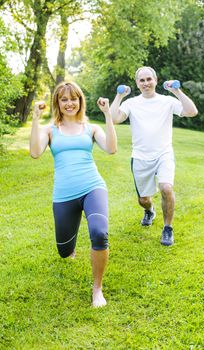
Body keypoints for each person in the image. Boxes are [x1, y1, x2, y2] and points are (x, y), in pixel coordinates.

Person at [30, 81, 117, 307]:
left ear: (80, 101)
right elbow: (35, 153)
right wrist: (36, 120)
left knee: (99, 233)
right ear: (57, 103)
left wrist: (108, 115)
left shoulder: (91, 129)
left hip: (92, 186)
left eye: (74, 98)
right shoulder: (50, 130)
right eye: (64, 99)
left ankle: (97, 289)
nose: (70, 103)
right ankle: (71, 243)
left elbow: (111, 148)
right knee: (64, 251)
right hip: (64, 194)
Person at [110, 66, 198, 246]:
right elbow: (114, 119)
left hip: (163, 154)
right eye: (141, 80)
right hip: (140, 157)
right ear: (137, 83)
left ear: (156, 81)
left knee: (166, 188)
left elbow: (191, 111)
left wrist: (176, 90)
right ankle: (149, 211)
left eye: (149, 79)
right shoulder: (131, 103)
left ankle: (168, 228)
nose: (146, 83)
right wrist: (119, 96)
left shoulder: (167, 101)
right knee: (143, 200)